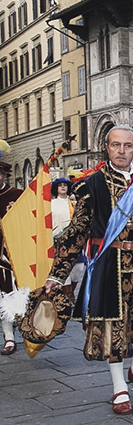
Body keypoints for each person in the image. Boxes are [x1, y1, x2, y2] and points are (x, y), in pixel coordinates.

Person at [44, 126, 133, 415]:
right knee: (112, 328)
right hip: (109, 265)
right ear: (107, 147)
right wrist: (58, 272)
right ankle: (118, 387)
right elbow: (76, 232)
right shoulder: (92, 186)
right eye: (116, 145)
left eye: (128, 145)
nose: (122, 151)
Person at [0, 151, 22, 356]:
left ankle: (9, 337)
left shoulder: (16, 196)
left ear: (5, 175)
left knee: (7, 297)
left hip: (9, 256)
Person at [51, 177, 86, 304]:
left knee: (78, 269)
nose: (63, 187)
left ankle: (70, 291)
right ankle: (68, 297)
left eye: (65, 185)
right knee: (63, 267)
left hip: (75, 239)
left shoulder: (75, 203)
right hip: (59, 239)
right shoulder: (51, 204)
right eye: (60, 185)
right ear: (56, 189)